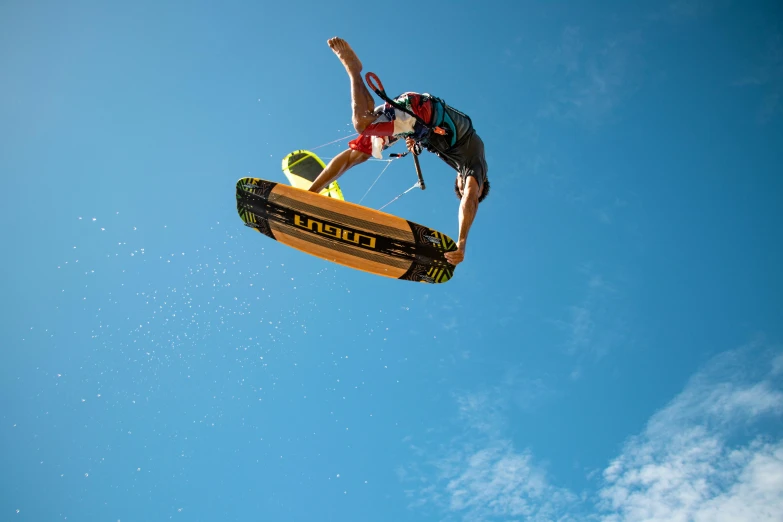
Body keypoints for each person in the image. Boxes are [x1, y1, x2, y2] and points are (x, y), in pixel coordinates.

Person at [308, 37, 489, 266]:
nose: (465, 186)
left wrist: (418, 141)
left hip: (414, 123)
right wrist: (462, 242)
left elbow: (435, 139)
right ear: (481, 184)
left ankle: (310, 194)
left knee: (360, 150)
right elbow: (471, 199)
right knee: (363, 124)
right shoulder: (475, 161)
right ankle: (354, 69)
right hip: (421, 112)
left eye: (461, 187)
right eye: (465, 187)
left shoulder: (453, 157)